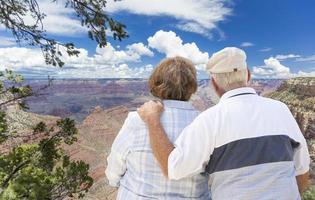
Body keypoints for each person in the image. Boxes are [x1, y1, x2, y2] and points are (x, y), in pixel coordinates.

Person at [137, 47, 310, 200]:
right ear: (248, 75)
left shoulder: (209, 120)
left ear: (213, 83)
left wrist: (153, 121)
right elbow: (302, 171)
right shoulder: (281, 110)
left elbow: (172, 168)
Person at [105, 56, 211, 199]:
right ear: (192, 87)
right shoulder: (207, 123)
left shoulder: (137, 120)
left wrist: (116, 183)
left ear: (156, 84)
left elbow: (116, 163)